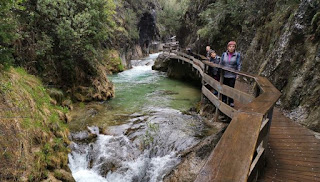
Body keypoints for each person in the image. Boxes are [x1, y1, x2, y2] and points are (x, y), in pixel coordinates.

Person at [220, 41, 241, 107]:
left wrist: (237, 74)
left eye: (233, 47)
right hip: (224, 74)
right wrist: (220, 71)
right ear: (227, 47)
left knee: (231, 88)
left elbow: (239, 65)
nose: (231, 48)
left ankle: (231, 101)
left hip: (232, 75)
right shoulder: (224, 54)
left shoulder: (237, 55)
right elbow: (221, 63)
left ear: (235, 48)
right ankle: (224, 99)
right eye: (230, 46)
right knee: (224, 87)